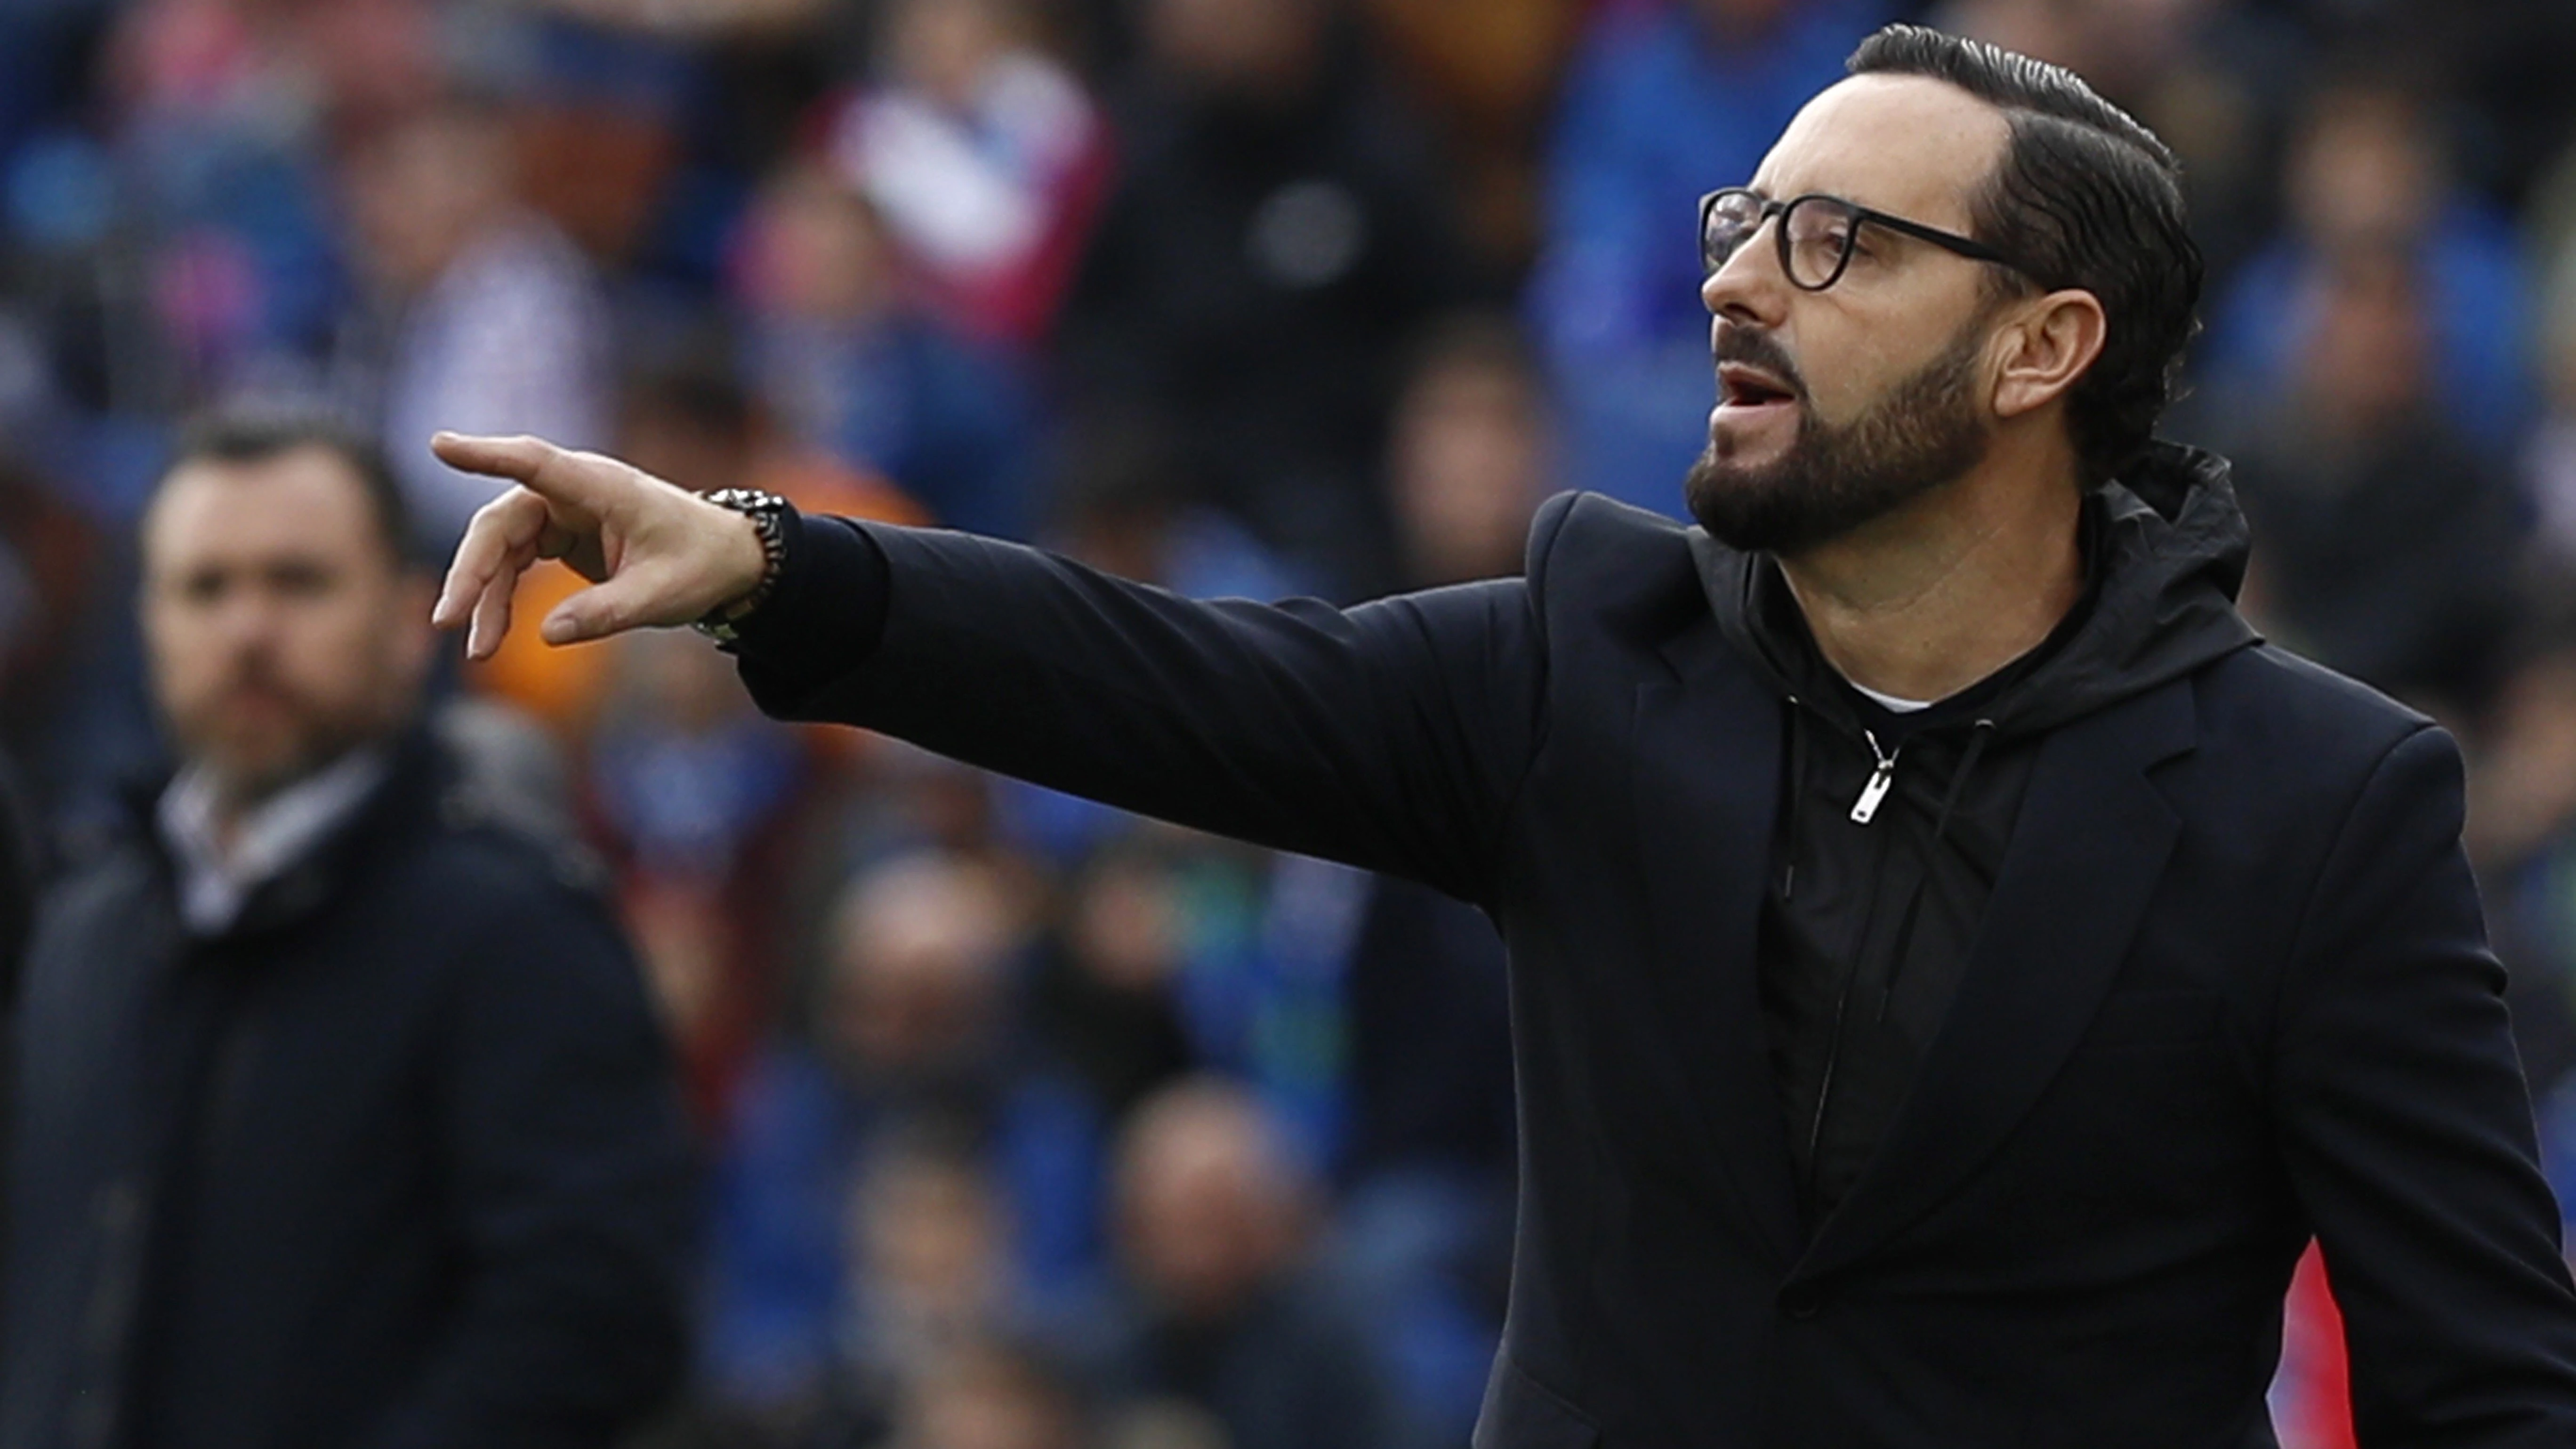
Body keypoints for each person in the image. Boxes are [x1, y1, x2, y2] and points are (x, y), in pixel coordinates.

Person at [430, 24, 2576, 1446]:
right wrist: (778, 564)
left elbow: (2480, 1382)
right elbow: (1161, 674)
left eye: (1830, 244)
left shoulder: (2318, 801)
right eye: (1739, 224)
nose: (1735, 279)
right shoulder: (1588, 650)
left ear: (2040, 346)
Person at [0, 412, 695, 1448]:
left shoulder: (512, 935)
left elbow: (588, 1330)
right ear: (147, 622)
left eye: (298, 583)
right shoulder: (87, 928)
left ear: (411, 612)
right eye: (207, 588)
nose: (248, 630)